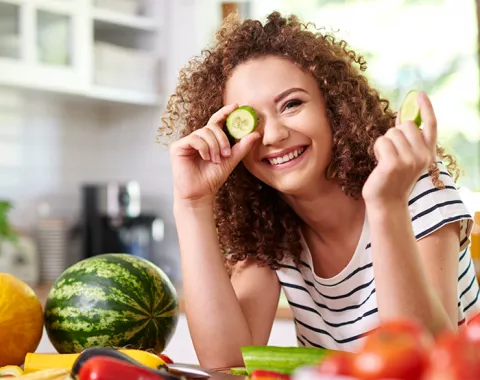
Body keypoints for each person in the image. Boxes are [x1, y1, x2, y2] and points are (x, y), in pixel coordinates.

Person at [159, 11, 480, 368]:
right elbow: (226, 364)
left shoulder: (413, 187)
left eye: (292, 105)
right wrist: (192, 205)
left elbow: (424, 359)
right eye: (251, 120)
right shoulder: (269, 229)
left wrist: (386, 205)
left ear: (334, 108)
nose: (274, 135)